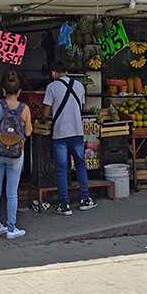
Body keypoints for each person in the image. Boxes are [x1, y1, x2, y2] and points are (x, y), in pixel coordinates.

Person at [42, 62, 97, 215]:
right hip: (77, 132)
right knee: (80, 166)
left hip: (60, 134)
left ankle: (65, 205)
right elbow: (81, 106)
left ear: (54, 72)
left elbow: (45, 113)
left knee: (61, 169)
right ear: (66, 71)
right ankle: (85, 200)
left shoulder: (51, 87)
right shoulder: (79, 86)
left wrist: (41, 120)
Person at [0, 71, 33, 239]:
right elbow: (28, 133)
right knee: (12, 192)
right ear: (20, 91)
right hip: (16, 153)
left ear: (3, 90)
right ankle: (11, 228)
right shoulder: (25, 108)